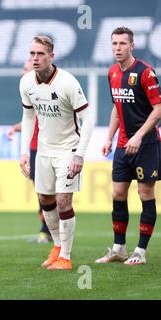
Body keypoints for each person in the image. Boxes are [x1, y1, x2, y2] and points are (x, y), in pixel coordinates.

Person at [19, 35, 94, 270]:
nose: (35, 58)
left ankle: (67, 256)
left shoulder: (67, 82)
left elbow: (88, 118)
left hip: (67, 150)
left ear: (52, 56)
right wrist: (23, 152)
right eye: (32, 54)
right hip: (43, 150)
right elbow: (28, 116)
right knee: (45, 200)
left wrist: (79, 154)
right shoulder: (26, 83)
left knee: (63, 200)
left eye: (40, 54)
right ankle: (57, 247)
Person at [95, 27, 161, 265]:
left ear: (132, 46)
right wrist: (108, 138)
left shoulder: (145, 73)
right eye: (114, 43)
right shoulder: (112, 72)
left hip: (146, 144)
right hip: (123, 145)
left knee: (145, 194)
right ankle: (118, 248)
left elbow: (158, 108)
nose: (118, 48)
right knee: (118, 193)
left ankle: (140, 252)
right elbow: (117, 108)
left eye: (123, 43)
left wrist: (139, 136)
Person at [7, 60, 51, 244]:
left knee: (49, 192)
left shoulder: (47, 90)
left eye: (25, 69)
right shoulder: (28, 90)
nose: (23, 72)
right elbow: (29, 119)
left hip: (47, 147)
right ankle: (46, 230)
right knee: (41, 192)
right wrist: (16, 128)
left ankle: (50, 231)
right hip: (33, 148)